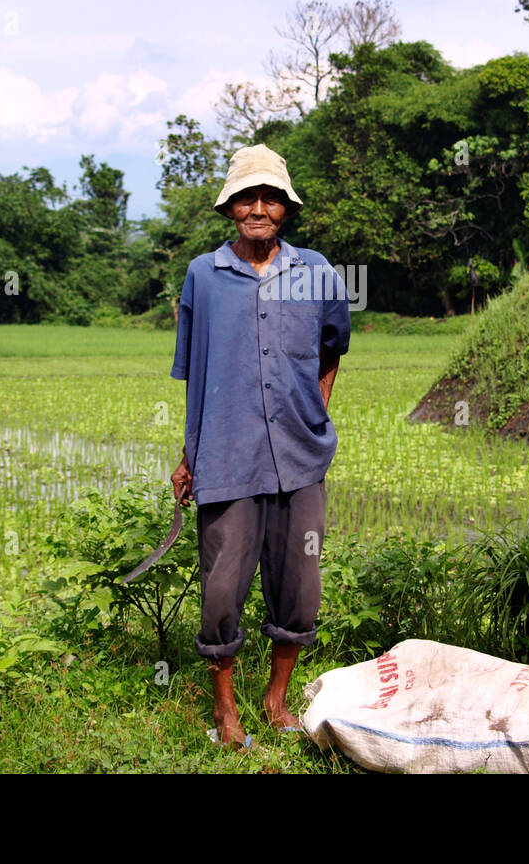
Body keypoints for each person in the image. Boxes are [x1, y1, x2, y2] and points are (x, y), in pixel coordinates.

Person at [169, 143, 351, 748]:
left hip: (301, 457)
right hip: (226, 454)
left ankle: (276, 699)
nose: (258, 208)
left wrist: (313, 413)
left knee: (299, 582)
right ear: (229, 208)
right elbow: (196, 371)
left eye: (270, 197)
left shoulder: (318, 272)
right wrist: (188, 455)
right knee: (221, 586)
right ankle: (224, 709)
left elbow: (333, 348)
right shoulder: (203, 275)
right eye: (247, 196)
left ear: (285, 208)